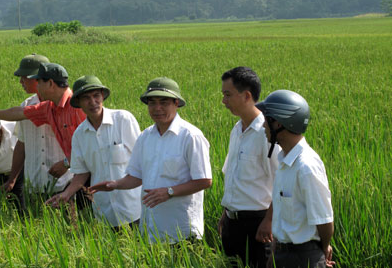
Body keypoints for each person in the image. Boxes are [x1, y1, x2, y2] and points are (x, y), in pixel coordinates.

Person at [90, 77, 212, 243]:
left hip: (181, 231)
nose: (157, 108)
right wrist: (115, 184)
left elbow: (204, 180)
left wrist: (169, 192)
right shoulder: (145, 136)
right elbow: (137, 176)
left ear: (176, 103)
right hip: (151, 229)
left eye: (164, 102)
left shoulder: (191, 136)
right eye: (152, 103)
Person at [0, 63, 89, 207]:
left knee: (94, 220)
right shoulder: (49, 108)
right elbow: (19, 113)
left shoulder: (78, 106)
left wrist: (66, 163)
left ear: (50, 83)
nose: (36, 86)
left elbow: (90, 144)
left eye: (39, 82)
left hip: (90, 176)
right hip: (70, 178)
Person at [46, 75, 141, 229]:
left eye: (96, 96)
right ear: (78, 103)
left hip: (134, 207)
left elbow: (142, 160)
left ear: (102, 96)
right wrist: (66, 193)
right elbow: (82, 172)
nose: (92, 102)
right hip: (104, 212)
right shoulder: (79, 135)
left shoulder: (123, 120)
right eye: (86, 98)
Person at [257, 90, 335, 268]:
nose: (263, 126)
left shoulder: (306, 166)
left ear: (278, 123)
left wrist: (322, 252)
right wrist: (274, 253)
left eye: (266, 120)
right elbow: (283, 217)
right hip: (282, 254)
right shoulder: (284, 160)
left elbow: (324, 219)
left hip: (304, 257)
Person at [218, 66, 280, 268]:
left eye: (228, 95)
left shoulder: (267, 133)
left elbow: (282, 182)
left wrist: (269, 221)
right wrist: (225, 215)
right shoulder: (236, 130)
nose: (223, 101)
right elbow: (233, 177)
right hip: (232, 223)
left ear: (246, 96)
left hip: (258, 226)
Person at [3, 54, 73, 197]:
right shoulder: (26, 106)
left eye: (25, 77)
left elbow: (82, 144)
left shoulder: (69, 106)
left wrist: (66, 164)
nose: (21, 82)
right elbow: (21, 144)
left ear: (39, 78)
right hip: (34, 185)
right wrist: (13, 178)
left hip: (64, 183)